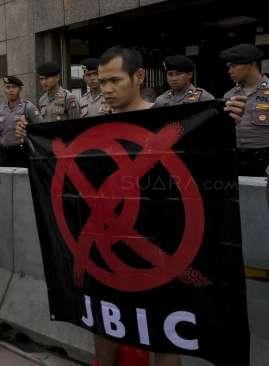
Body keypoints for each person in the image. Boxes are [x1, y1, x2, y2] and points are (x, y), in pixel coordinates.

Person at [16, 45, 247, 366]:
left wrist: (225, 121)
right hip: (106, 258)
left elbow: (203, 172)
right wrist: (31, 134)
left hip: (160, 251)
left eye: (115, 80)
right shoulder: (89, 126)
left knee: (164, 344)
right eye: (101, 80)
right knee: (104, 334)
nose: (105, 88)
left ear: (138, 76)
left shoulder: (172, 118)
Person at [220, 43, 269, 176]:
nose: (229, 71)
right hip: (237, 160)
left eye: (234, 66)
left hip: (264, 159)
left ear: (251, 64)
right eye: (229, 66)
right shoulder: (229, 95)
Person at [0, 75, 41, 167]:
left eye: (14, 87)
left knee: (22, 180)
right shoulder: (0, 110)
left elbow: (39, 128)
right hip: (4, 152)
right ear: (4, 89)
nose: (11, 90)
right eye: (8, 87)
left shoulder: (28, 107)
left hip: (22, 152)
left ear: (20, 89)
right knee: (5, 179)